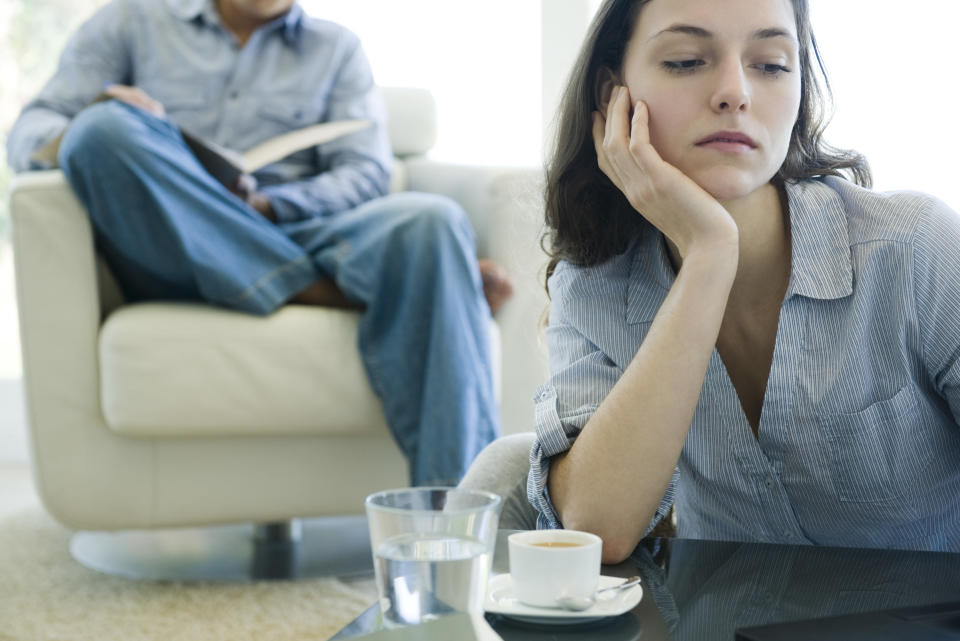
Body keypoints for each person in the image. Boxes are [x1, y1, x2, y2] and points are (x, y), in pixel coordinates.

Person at [6, 0, 512, 486]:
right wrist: (109, 110)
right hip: (175, 242)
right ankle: (318, 288)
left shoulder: (336, 49)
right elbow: (29, 133)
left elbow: (366, 173)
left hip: (294, 226)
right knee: (100, 133)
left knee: (433, 222)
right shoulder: (130, 20)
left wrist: (272, 205)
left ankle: (459, 520)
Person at [529, 0, 960, 563]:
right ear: (614, 93)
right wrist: (709, 256)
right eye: (686, 61)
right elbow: (598, 528)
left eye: (772, 64)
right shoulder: (595, 290)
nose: (735, 92)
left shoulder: (915, 250)